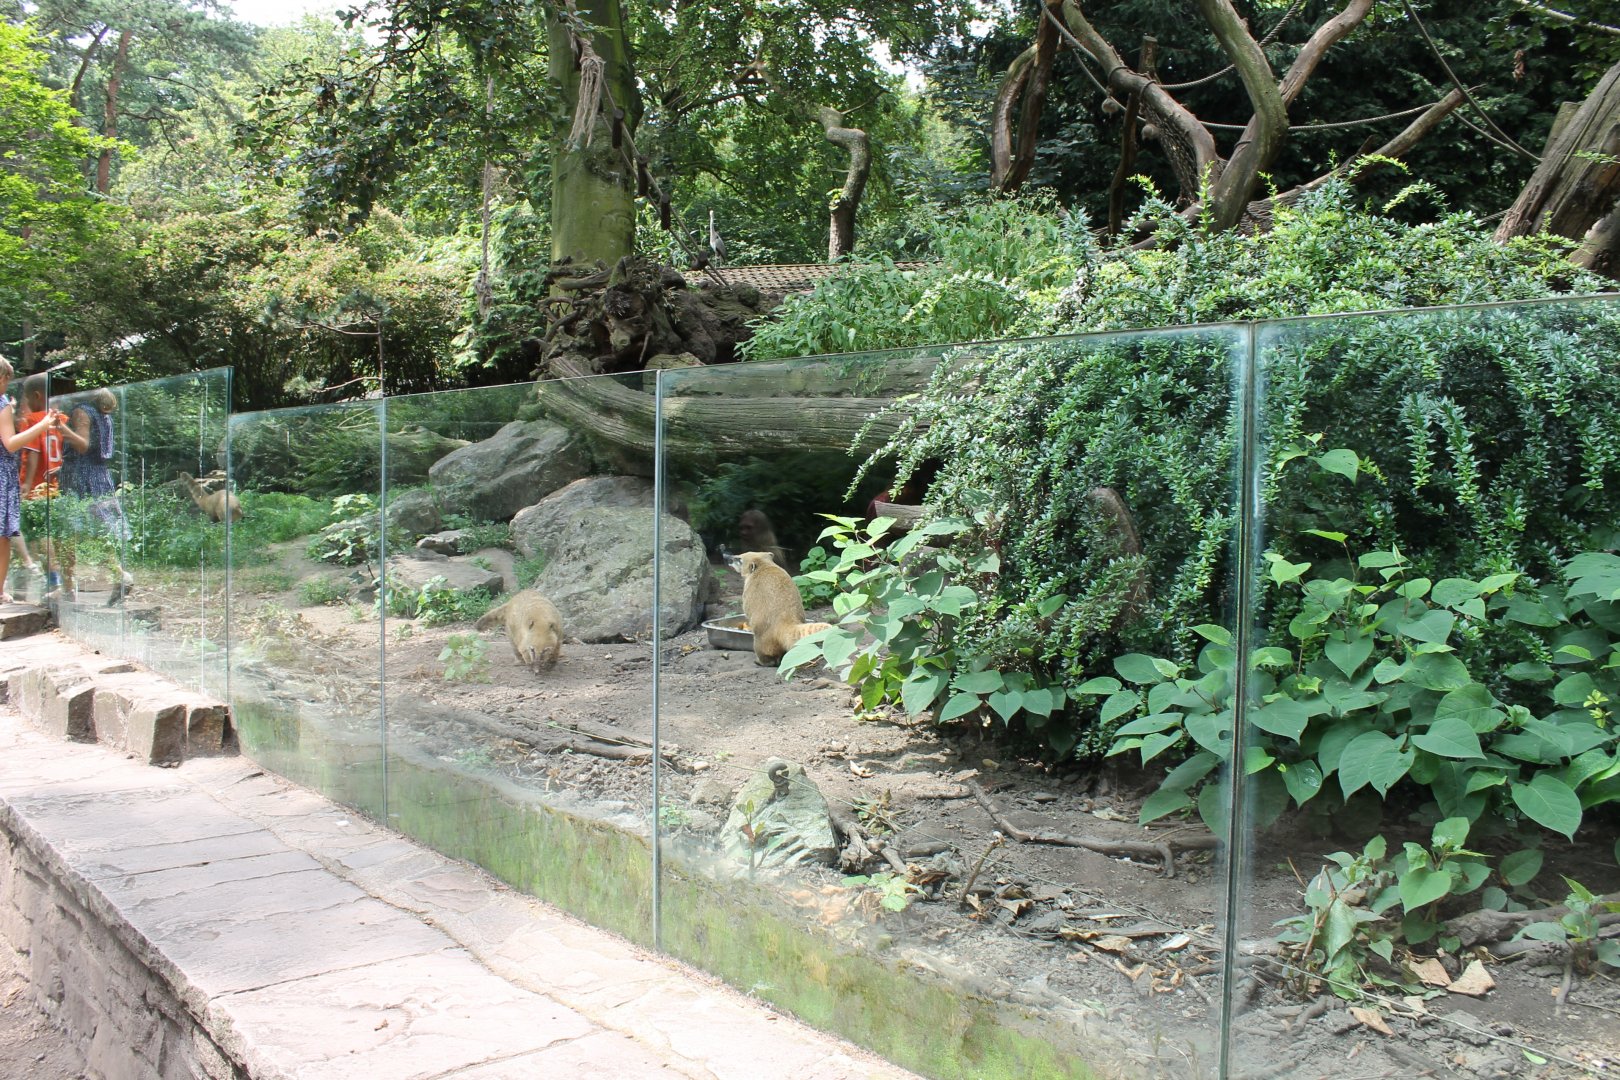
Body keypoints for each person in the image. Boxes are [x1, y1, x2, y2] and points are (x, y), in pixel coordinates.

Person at [58, 386, 132, 603]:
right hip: (99, 475)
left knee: (68, 533)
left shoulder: (82, 411)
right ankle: (118, 576)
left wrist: (60, 426)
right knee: (97, 532)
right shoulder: (103, 415)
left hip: (81, 479)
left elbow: (82, 446)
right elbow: (94, 452)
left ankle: (68, 588)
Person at [0, 356, 65, 605]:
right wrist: (44, 424)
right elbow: (11, 443)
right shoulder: (3, 404)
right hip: (8, 474)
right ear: (3, 377)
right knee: (5, 534)